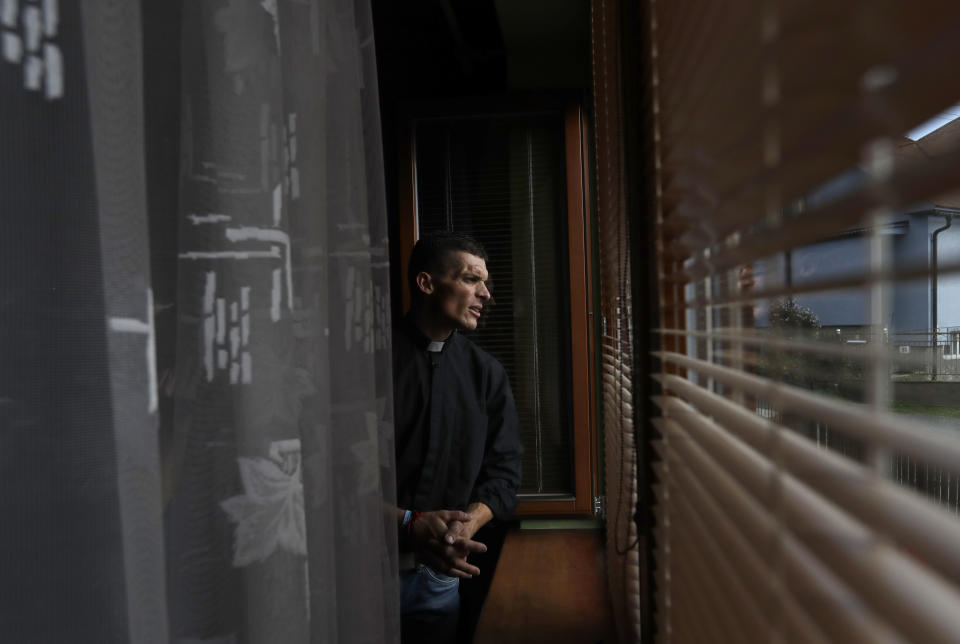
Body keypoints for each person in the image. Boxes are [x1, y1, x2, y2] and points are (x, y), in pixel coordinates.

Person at [393, 231, 523, 642]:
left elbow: (504, 472)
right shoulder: (366, 363)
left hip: (442, 576)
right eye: (471, 279)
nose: (485, 294)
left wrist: (462, 530)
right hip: (359, 572)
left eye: (485, 282)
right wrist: (409, 524)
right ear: (427, 283)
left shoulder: (487, 373)